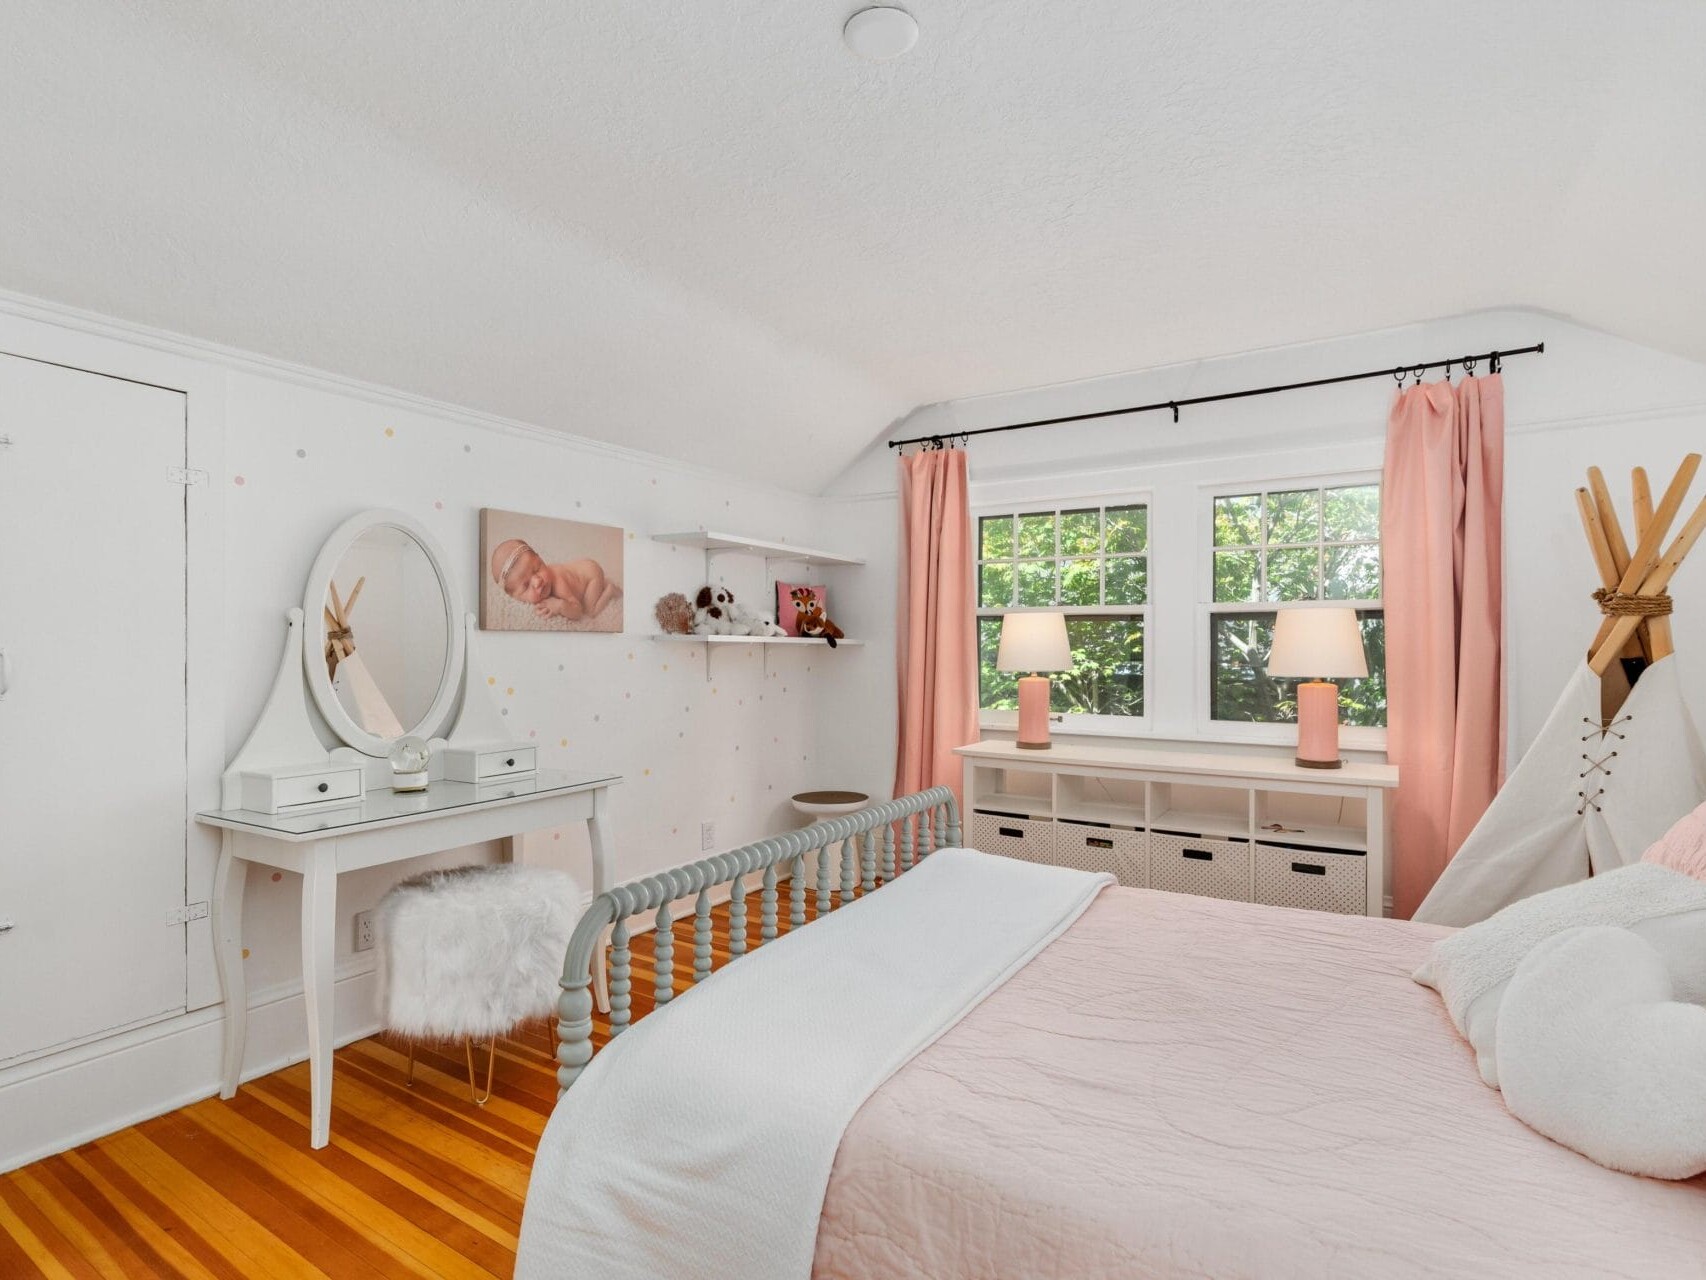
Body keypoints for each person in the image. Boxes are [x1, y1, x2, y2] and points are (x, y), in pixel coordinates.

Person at [490, 538, 622, 621]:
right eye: (526, 585)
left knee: (590, 611)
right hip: (583, 565)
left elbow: (577, 611)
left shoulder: (559, 584)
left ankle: (609, 590)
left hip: (591, 575)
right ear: (515, 597)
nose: (537, 581)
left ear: (540, 558)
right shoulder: (539, 582)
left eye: (537, 568)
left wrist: (560, 606)